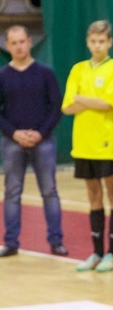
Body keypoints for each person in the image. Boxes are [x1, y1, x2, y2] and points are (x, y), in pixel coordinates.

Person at [62, 19, 113, 272]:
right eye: (93, 41)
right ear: (87, 43)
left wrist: (81, 98)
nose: (97, 45)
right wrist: (89, 101)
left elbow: (108, 103)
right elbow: (67, 106)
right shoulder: (78, 69)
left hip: (107, 143)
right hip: (83, 144)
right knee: (93, 196)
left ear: (110, 42)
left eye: (102, 41)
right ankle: (97, 252)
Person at [0, 25, 68, 258]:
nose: (19, 46)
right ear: (7, 46)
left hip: (43, 142)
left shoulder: (45, 73)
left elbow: (56, 107)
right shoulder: (3, 75)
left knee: (49, 191)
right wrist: (14, 133)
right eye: (14, 43)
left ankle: (56, 240)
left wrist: (40, 133)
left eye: (22, 41)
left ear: (29, 42)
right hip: (12, 143)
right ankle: (11, 242)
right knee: (12, 192)